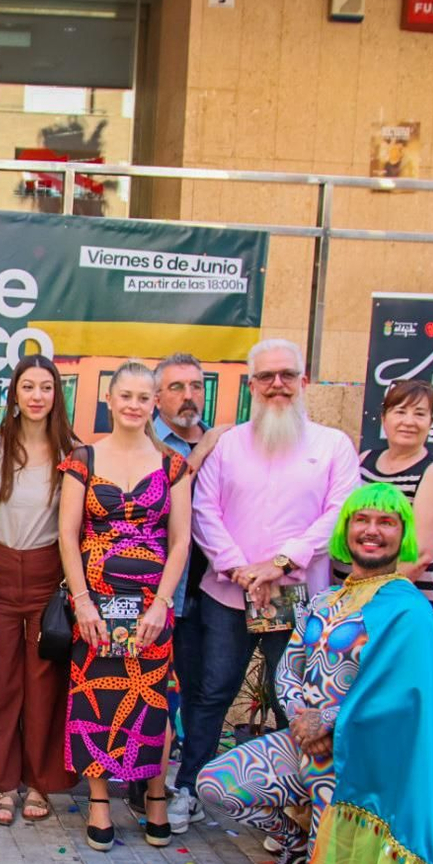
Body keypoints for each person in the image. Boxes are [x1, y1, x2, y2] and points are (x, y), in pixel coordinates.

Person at [198, 484, 433, 864]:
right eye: (361, 520)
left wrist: (327, 723)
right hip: (302, 739)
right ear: (346, 531)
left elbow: (402, 696)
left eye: (386, 522)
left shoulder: (408, 608)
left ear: (402, 535)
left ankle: (318, 855)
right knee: (216, 783)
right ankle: (293, 844)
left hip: (359, 758)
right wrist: (298, 720)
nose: (371, 531)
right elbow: (288, 667)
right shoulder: (323, 599)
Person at [169, 339, 360, 833]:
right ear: (251, 385)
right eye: (267, 376)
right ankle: (188, 788)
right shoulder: (228, 444)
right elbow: (204, 510)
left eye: (287, 375)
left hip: (299, 599)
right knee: (211, 692)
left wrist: (278, 564)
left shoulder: (333, 445)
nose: (278, 384)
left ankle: (289, 808)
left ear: (304, 382)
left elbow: (339, 515)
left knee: (290, 701)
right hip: (228, 594)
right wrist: (240, 569)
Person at [58, 362, 190, 850]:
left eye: (144, 397)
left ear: (155, 403)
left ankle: (155, 793)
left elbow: (180, 543)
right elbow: (68, 537)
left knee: (152, 699)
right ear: (109, 402)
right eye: (126, 396)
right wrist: (82, 602)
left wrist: (161, 604)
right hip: (96, 602)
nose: (134, 405)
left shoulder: (173, 466)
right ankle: (98, 801)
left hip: (151, 605)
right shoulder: (83, 459)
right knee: (98, 695)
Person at [0, 357, 78, 826]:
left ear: (57, 395)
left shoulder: (74, 452)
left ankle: (39, 781)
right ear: (14, 393)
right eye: (28, 386)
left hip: (47, 574)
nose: (36, 396)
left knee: (43, 684)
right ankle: (1, 783)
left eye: (46, 387)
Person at [143, 352, 214, 819]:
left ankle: (188, 784)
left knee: (202, 691)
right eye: (176, 387)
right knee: (150, 691)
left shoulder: (229, 441)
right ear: (156, 397)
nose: (188, 395)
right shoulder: (145, 442)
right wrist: (200, 455)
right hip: (155, 589)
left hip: (212, 588)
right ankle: (143, 781)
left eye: (195, 385)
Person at [355, 379, 433, 608]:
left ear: (430, 422)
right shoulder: (364, 460)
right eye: (400, 412)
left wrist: (370, 600)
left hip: (401, 603)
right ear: (384, 418)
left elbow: (420, 555)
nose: (409, 422)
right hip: (354, 598)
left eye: (419, 414)